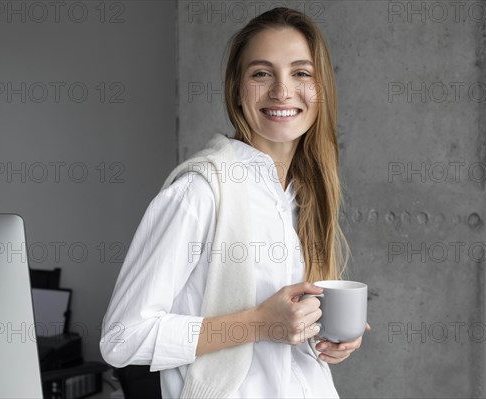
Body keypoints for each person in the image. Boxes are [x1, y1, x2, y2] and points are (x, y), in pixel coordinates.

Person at [100, 7, 368, 399]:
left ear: (321, 89)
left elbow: (283, 340)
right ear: (236, 90)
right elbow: (122, 339)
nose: (282, 90)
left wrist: (328, 333)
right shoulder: (200, 191)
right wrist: (258, 323)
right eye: (261, 73)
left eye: (301, 73)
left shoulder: (302, 195)